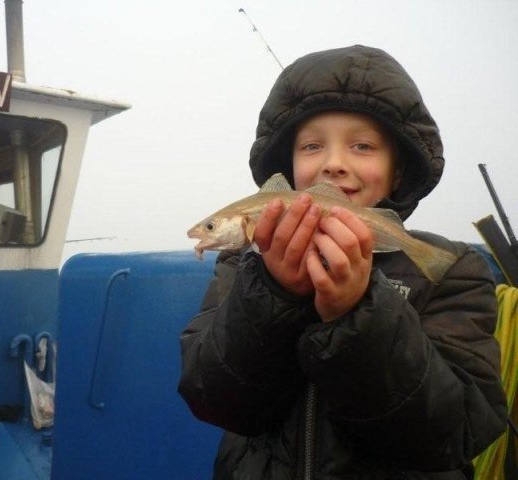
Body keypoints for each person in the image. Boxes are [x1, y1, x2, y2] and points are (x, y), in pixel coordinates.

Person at [178, 45, 507, 479]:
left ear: (399, 170)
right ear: (288, 165)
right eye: (313, 145)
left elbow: (455, 432)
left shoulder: (455, 271)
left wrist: (358, 310)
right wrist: (274, 295)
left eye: (363, 145)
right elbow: (212, 397)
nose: (333, 163)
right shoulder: (243, 269)